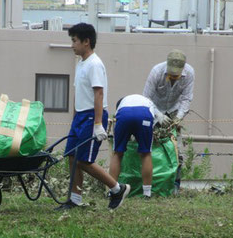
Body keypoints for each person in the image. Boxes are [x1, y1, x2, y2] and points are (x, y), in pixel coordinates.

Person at [58, 23, 130, 210]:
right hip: (81, 117)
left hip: (92, 117)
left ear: (86, 42)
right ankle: (75, 199)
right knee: (72, 157)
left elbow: (99, 93)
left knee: (85, 161)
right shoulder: (81, 63)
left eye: (74, 41)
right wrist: (74, 118)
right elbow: (79, 94)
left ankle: (117, 188)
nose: (72, 45)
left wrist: (98, 124)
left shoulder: (95, 64)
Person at [142, 49, 195, 191]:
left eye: (176, 75)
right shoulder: (156, 72)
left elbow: (186, 98)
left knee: (176, 150)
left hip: (174, 112)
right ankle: (152, 184)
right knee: (151, 148)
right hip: (154, 112)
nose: (173, 77)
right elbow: (146, 98)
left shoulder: (189, 73)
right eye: (171, 74)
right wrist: (158, 115)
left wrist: (178, 118)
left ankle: (174, 185)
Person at [109, 94, 168, 198]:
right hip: (144, 114)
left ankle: (112, 191)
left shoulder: (121, 106)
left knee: (117, 153)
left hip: (123, 115)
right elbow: (153, 124)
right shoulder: (147, 101)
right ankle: (147, 193)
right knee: (145, 153)